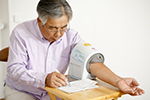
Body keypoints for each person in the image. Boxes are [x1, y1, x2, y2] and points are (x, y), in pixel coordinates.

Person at [4, 0, 145, 100]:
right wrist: (45, 78)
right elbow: (14, 70)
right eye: (52, 28)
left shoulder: (72, 36)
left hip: (55, 91)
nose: (59, 34)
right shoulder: (21, 32)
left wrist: (118, 81)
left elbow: (92, 62)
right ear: (40, 21)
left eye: (63, 27)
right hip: (22, 90)